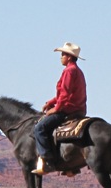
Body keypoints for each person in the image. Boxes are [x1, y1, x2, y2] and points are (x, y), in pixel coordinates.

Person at [32, 42, 87, 175]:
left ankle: (48, 161)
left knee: (39, 128)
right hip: (79, 109)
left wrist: (55, 109)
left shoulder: (69, 71)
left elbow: (65, 94)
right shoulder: (77, 71)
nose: (61, 57)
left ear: (69, 57)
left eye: (63, 54)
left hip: (68, 109)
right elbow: (64, 93)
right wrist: (50, 102)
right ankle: (72, 165)